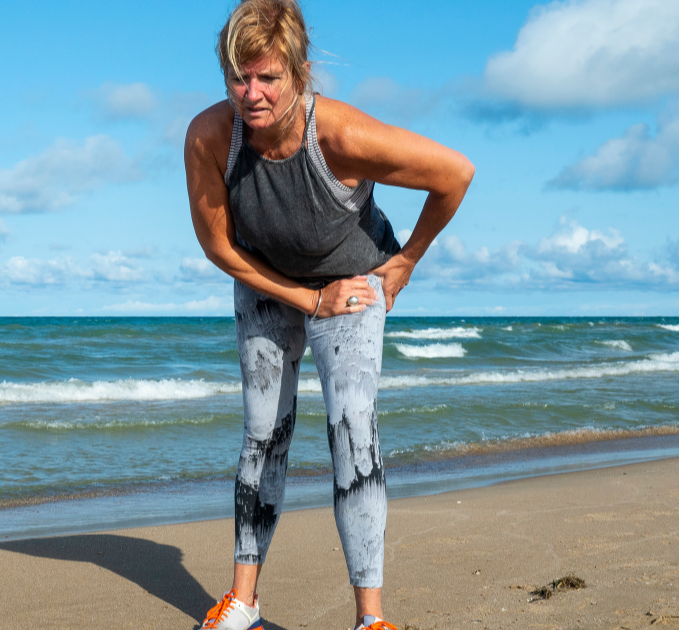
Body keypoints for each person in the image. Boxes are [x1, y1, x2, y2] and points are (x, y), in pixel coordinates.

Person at [184, 1, 474, 629]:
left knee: (351, 428)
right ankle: (245, 602)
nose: (252, 94)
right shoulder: (211, 137)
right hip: (267, 278)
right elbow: (218, 247)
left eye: (268, 77)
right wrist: (307, 300)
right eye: (239, 77)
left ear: (300, 72)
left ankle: (370, 620)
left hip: (352, 281)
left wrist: (407, 261)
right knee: (263, 431)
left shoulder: (339, 134)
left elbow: (454, 173)